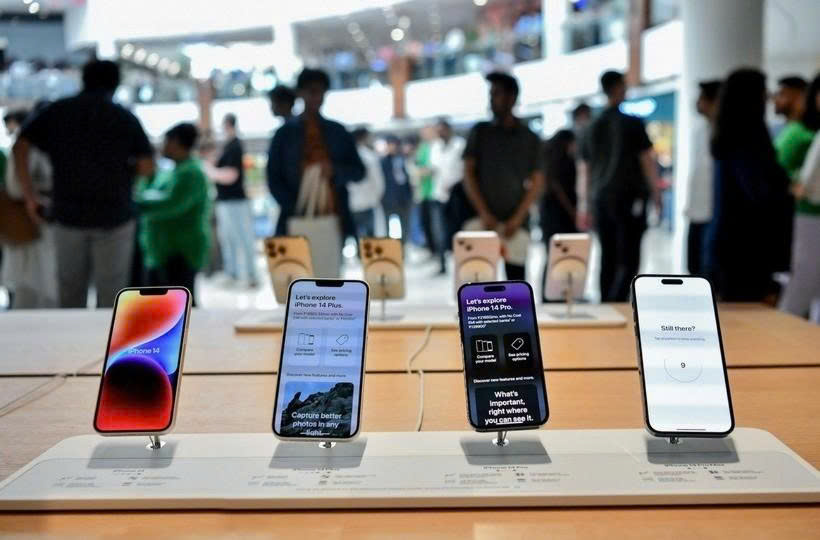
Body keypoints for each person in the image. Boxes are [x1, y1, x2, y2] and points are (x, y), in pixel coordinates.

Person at [13, 60, 154, 308]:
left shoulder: (58, 111)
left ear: (83, 79)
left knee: (69, 294)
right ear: (115, 83)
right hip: (114, 215)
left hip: (68, 214)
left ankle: (72, 335)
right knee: (112, 296)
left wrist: (30, 196)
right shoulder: (123, 116)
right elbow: (147, 166)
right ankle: (106, 335)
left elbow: (20, 146)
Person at [708, 68, 793, 302]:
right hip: (748, 246)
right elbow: (760, 191)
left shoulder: (727, 133)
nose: (769, 98)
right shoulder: (749, 137)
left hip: (728, 241)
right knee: (747, 312)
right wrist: (788, 189)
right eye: (765, 92)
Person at [577, 70, 661, 302]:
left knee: (608, 255)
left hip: (600, 199)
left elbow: (584, 170)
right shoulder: (632, 123)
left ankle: (607, 302)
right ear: (617, 88)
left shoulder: (591, 126)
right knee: (629, 257)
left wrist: (584, 205)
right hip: (628, 198)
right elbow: (646, 160)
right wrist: (656, 193)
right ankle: (619, 302)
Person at [266, 68, 365, 248]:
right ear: (300, 93)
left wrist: (334, 170)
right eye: (311, 91)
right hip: (294, 218)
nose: (316, 97)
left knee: (329, 263)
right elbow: (273, 178)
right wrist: (295, 207)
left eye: (321, 92)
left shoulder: (338, 132)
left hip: (334, 216)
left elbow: (359, 171)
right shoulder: (284, 135)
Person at [463, 72, 544, 281]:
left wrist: (518, 218)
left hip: (515, 223)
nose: (492, 100)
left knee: (515, 284)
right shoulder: (480, 132)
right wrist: (483, 213)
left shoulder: (528, 137)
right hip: (480, 220)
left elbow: (537, 180)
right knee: (478, 283)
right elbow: (468, 174)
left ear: (512, 97)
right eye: (491, 94)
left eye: (497, 94)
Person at [135, 123, 209, 303]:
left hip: (180, 250)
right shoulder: (172, 170)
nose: (162, 146)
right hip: (162, 249)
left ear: (176, 142)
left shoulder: (191, 172)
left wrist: (134, 204)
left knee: (178, 306)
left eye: (166, 141)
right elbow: (149, 191)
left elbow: (170, 205)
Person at [1, 108, 57, 308]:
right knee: (30, 282)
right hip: (29, 220)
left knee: (42, 280)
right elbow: (15, 187)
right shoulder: (26, 148)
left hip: (41, 220)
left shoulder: (42, 146)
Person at [780, 74, 820, 317]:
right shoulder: (802, 133)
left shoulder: (803, 133)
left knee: (805, 280)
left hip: (809, 212)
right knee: (806, 279)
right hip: (807, 213)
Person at [204, 114, 259, 287]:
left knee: (243, 238)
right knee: (228, 239)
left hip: (235, 201)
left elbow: (232, 175)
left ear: (227, 124)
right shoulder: (228, 146)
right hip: (225, 201)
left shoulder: (235, 146)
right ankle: (232, 273)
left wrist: (210, 171)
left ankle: (251, 275)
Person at [685, 80, 721, 276]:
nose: (697, 103)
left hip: (713, 214)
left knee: (708, 271)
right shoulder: (700, 131)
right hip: (697, 212)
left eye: (702, 98)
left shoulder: (724, 134)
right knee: (694, 267)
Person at [539, 129, 579, 301]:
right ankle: (557, 294)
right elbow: (561, 190)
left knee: (553, 255)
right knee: (561, 255)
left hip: (549, 214)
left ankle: (551, 294)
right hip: (561, 215)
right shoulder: (564, 162)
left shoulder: (547, 160)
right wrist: (573, 211)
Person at [429, 118, 465, 273]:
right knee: (439, 231)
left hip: (457, 194)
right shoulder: (435, 147)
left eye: (442, 130)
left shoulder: (460, 145)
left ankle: (461, 263)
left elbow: (464, 170)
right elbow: (434, 168)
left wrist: (453, 184)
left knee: (458, 231)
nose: (440, 133)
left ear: (449, 129)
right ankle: (442, 264)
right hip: (439, 195)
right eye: (438, 130)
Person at [773, 76, 814, 181]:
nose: (775, 99)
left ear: (799, 97)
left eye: (782, 94)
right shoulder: (781, 129)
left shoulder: (802, 133)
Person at [348, 127, 385, 238]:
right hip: (367, 203)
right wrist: (376, 198)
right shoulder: (369, 156)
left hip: (354, 204)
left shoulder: (346, 155)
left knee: (357, 237)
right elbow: (378, 182)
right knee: (370, 237)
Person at [380, 134, 413, 243]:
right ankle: (391, 248)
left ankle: (403, 246)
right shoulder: (382, 162)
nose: (392, 147)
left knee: (405, 226)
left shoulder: (404, 159)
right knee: (387, 227)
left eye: (394, 144)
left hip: (404, 199)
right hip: (388, 199)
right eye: (389, 144)